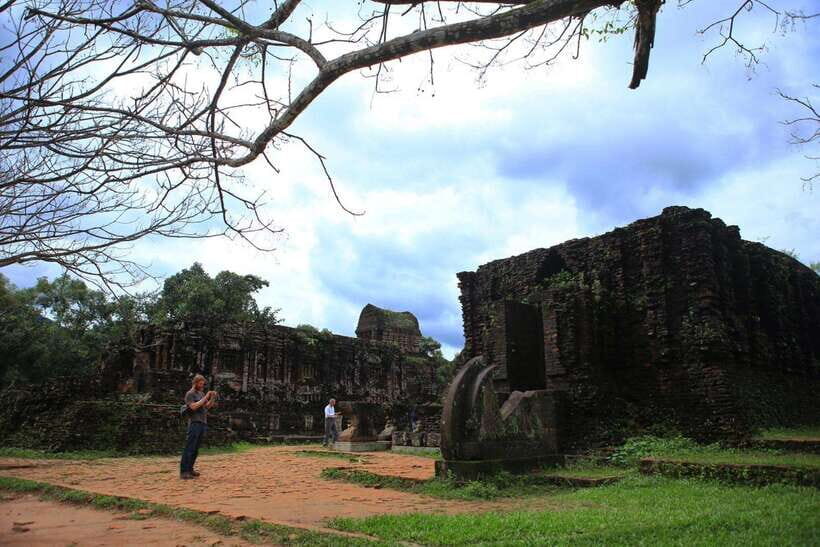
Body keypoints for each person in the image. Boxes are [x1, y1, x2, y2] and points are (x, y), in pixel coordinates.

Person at [180, 374, 217, 479]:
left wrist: (212, 398)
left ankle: (190, 469)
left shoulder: (201, 393)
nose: (202, 386)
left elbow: (207, 407)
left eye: (203, 384)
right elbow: (193, 407)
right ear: (195, 383)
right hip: (194, 423)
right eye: (200, 384)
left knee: (195, 448)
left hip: (202, 422)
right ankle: (184, 471)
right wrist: (206, 396)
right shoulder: (190, 394)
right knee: (189, 447)